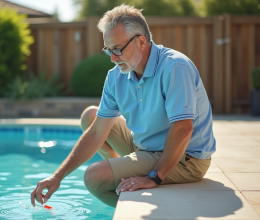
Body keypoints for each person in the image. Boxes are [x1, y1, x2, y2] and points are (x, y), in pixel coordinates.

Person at [31, 4, 216, 208]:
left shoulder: (174, 67)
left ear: (141, 41)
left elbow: (183, 128)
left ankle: (137, 208)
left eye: (117, 49)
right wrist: (58, 176)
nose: (112, 58)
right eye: (108, 50)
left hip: (184, 159)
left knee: (94, 176)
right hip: (145, 148)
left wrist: (153, 177)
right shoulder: (115, 76)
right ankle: (122, 172)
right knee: (91, 117)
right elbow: (96, 134)